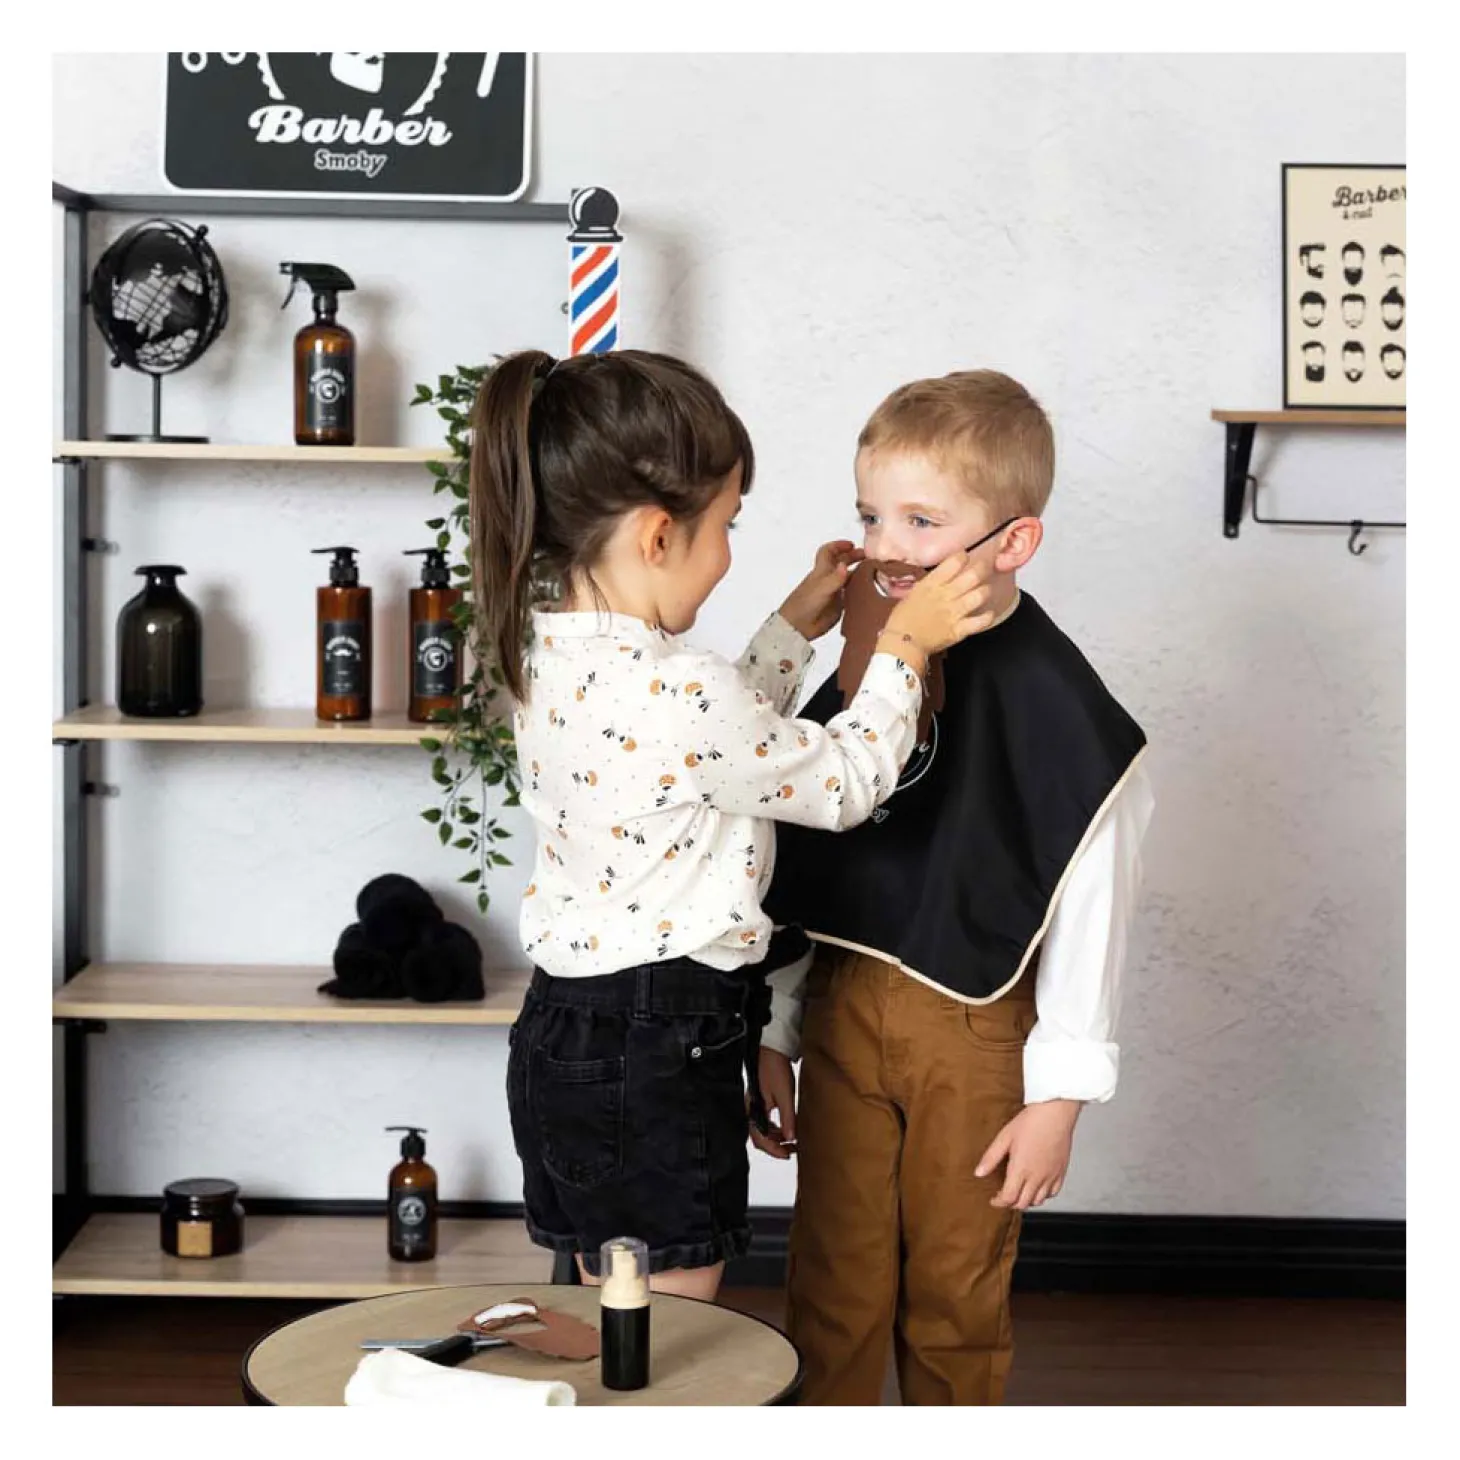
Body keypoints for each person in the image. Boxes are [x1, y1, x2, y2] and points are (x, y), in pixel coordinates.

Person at [468, 347, 998, 1302]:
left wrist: (792, 628)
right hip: (657, 1043)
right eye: (727, 526)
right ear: (657, 535)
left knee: (610, 1313)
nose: (727, 552)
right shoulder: (682, 692)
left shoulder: (546, 656)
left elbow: (708, 754)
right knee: (672, 1332)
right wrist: (905, 649)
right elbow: (839, 784)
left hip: (564, 1035)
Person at [758, 370, 1155, 1404]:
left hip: (975, 1032)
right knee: (831, 1282)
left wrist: (1059, 1097)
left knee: (954, 1292)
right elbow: (806, 861)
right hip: (843, 1010)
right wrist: (776, 1027)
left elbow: (1091, 905)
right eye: (869, 516)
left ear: (1012, 541)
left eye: (921, 521)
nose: (886, 547)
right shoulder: (867, 667)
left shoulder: (1061, 708)